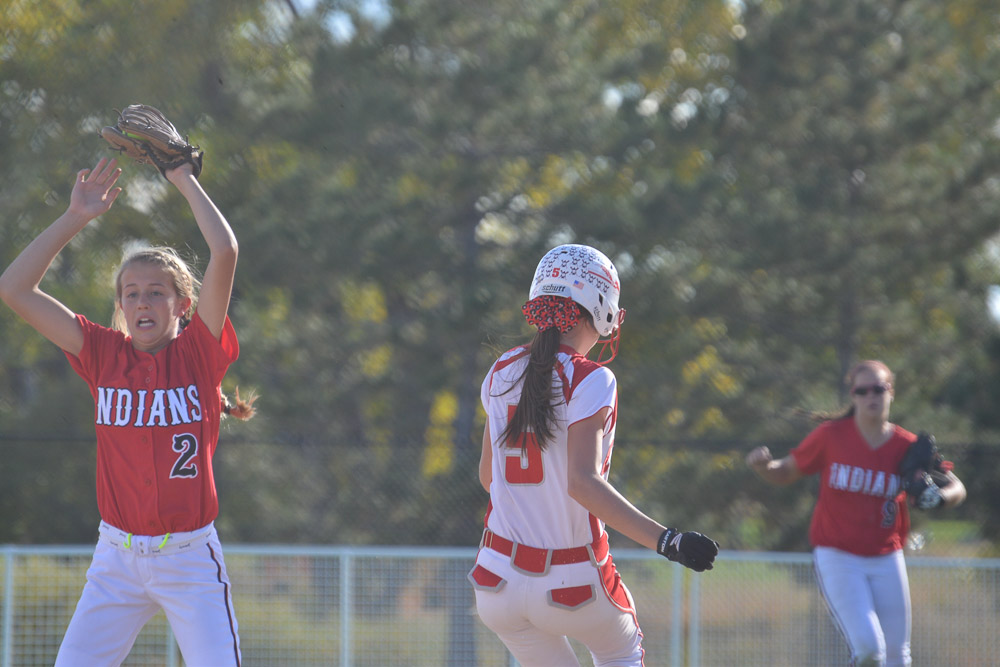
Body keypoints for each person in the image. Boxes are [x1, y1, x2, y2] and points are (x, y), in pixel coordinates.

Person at [0, 157, 257, 666]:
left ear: (183, 304)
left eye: (157, 293)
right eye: (132, 294)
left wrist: (183, 178)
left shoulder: (198, 355)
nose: (143, 302)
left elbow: (225, 251)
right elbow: (14, 290)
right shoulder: (103, 354)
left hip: (189, 558)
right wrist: (75, 217)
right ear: (120, 305)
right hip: (116, 558)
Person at [469, 243, 719, 667]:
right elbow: (582, 483)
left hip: (496, 580)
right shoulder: (592, 379)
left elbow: (489, 478)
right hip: (571, 583)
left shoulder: (501, 369)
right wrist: (668, 540)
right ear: (601, 306)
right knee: (622, 651)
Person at [746, 359, 966, 667]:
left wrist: (939, 498)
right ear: (853, 396)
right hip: (838, 556)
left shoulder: (906, 445)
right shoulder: (831, 435)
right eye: (863, 391)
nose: (871, 396)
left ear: (891, 392)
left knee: (898, 657)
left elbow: (957, 487)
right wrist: (764, 467)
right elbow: (786, 471)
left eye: (879, 388)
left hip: (887, 556)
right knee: (869, 649)